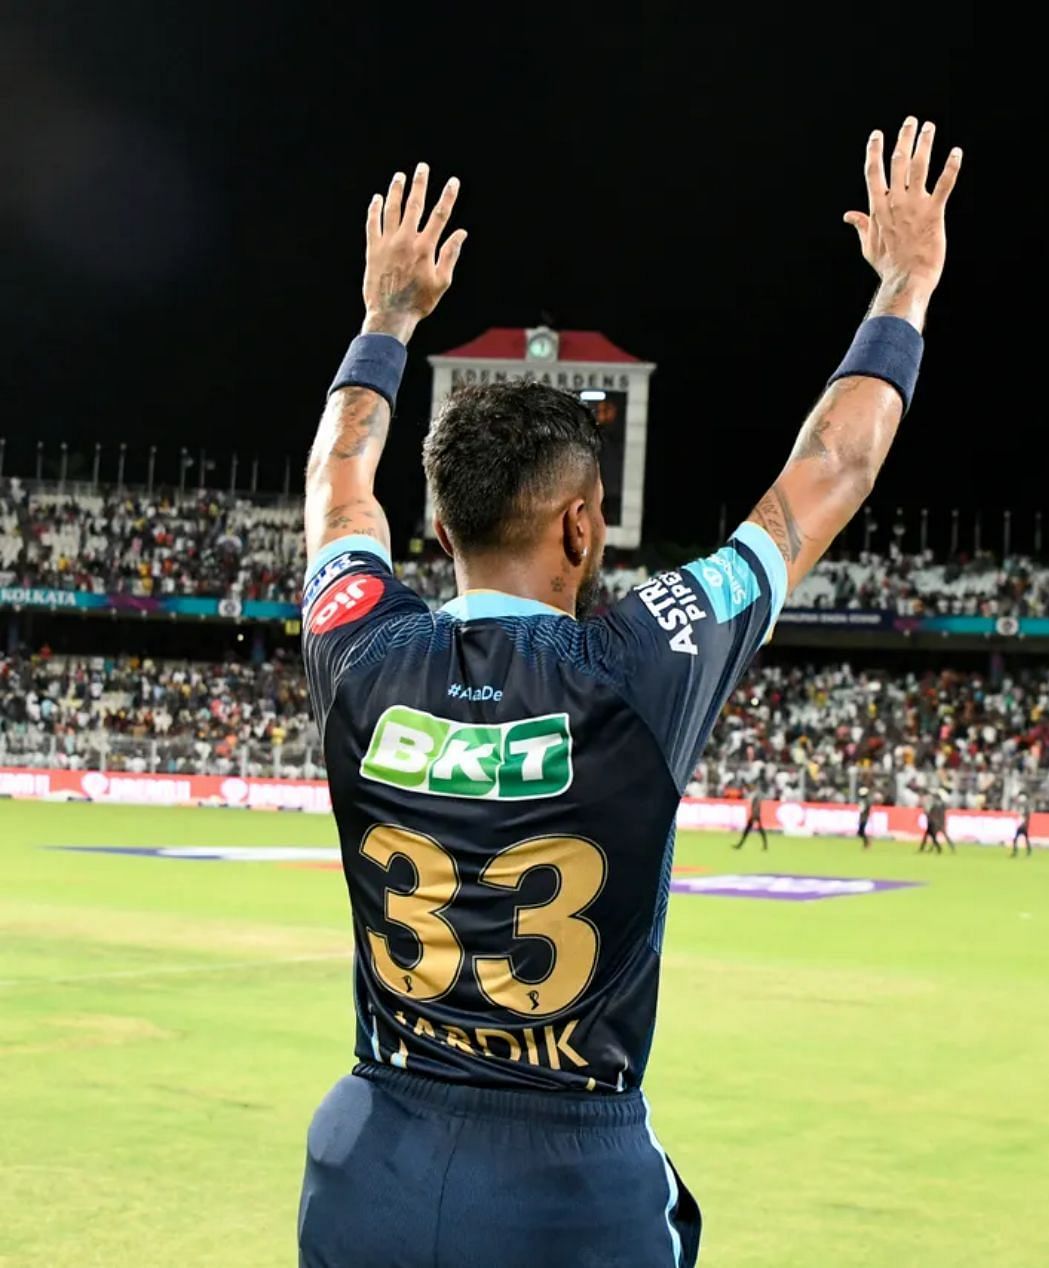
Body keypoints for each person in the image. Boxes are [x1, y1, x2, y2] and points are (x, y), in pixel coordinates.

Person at [296, 121, 962, 1268]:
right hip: (570, 1184)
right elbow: (829, 470)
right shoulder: (642, 660)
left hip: (366, 1162)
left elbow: (337, 483)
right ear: (583, 523)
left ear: (440, 528)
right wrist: (906, 281)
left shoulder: (357, 648)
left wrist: (386, 318)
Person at [733, 785, 769, 851]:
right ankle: (765, 845)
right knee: (758, 829)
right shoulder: (755, 795)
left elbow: (756, 806)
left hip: (755, 815)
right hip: (756, 815)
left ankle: (740, 845)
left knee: (749, 830)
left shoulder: (755, 796)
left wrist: (753, 815)